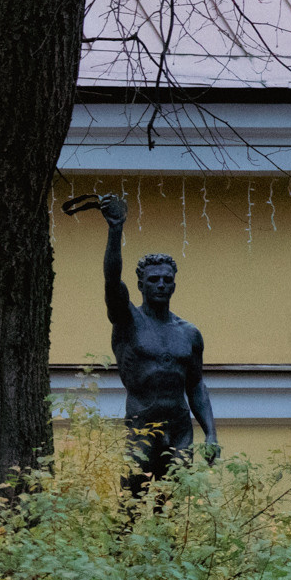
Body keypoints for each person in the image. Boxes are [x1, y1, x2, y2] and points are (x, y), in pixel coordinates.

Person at [92, 196, 216, 494]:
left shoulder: (189, 333)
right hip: (142, 426)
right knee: (131, 506)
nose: (161, 284)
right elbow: (111, 281)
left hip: (180, 428)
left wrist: (211, 432)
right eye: (154, 280)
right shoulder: (128, 321)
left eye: (167, 279)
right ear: (141, 285)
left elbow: (196, 384)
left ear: (174, 284)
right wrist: (116, 229)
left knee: (172, 508)